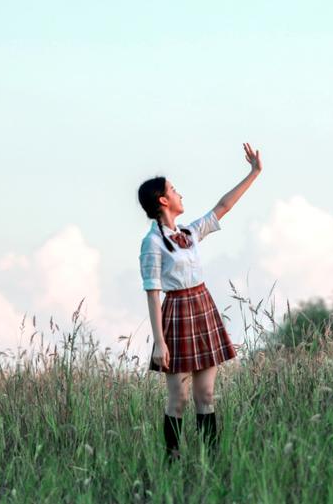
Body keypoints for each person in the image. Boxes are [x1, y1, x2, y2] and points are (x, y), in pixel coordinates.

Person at [136, 142, 262, 463]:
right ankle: (173, 461)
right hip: (176, 315)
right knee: (177, 398)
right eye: (174, 190)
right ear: (163, 201)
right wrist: (159, 343)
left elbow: (223, 206)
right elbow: (152, 292)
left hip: (202, 309)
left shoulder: (190, 233)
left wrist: (254, 172)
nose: (180, 194)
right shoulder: (152, 242)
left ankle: (210, 463)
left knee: (205, 395)